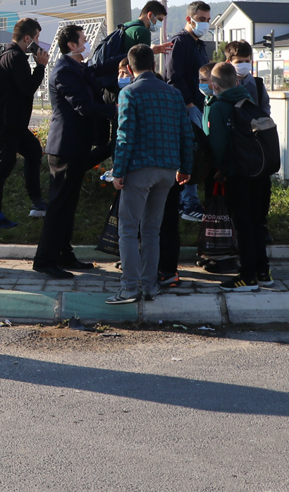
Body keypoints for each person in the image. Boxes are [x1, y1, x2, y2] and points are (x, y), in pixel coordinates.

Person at [107, 45, 193, 304]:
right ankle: (149, 286)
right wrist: (185, 168)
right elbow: (186, 133)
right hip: (167, 171)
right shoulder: (174, 93)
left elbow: (125, 136)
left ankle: (129, 288)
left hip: (139, 169)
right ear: (154, 65)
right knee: (152, 230)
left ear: (129, 68)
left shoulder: (129, 93)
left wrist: (118, 171)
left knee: (128, 230)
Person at [32, 24, 115, 279]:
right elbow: (83, 106)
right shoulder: (64, 71)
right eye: (84, 39)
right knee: (59, 206)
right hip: (65, 147)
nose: (87, 43)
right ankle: (45, 260)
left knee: (68, 206)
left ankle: (64, 254)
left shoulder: (78, 68)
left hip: (77, 146)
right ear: (72, 44)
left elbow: (101, 68)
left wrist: (143, 52)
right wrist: (117, 110)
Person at [205, 62, 272, 292]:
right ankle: (263, 272)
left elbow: (218, 145)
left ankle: (247, 276)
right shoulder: (248, 100)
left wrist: (221, 170)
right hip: (259, 171)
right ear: (236, 81)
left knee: (243, 225)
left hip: (237, 173)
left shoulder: (218, 107)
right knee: (257, 222)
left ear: (214, 85)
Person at [157, 62, 217, 289]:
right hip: (173, 176)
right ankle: (168, 271)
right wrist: (185, 170)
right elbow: (188, 141)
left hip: (153, 176)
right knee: (169, 223)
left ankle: (154, 269)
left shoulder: (144, 107)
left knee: (153, 224)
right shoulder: (177, 107)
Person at [0, 17, 49, 229]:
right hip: (8, 124)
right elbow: (28, 87)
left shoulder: (8, 55)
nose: (38, 42)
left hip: (13, 123)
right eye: (36, 38)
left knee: (33, 151)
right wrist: (40, 66)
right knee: (1, 167)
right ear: (27, 39)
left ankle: (38, 204)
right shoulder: (16, 58)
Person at [163, 1, 212, 222]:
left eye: (208, 20)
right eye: (201, 19)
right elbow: (173, 76)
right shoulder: (180, 42)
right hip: (187, 107)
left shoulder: (199, 45)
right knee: (190, 153)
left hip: (200, 106)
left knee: (197, 153)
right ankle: (188, 203)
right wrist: (188, 104)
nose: (205, 24)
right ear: (189, 19)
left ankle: (189, 201)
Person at [223, 40, 274, 248]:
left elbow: (266, 112)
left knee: (262, 190)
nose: (243, 65)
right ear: (229, 62)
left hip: (257, 147)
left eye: (247, 61)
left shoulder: (258, 85)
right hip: (235, 148)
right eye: (239, 62)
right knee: (238, 195)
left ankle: (261, 225)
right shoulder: (224, 85)